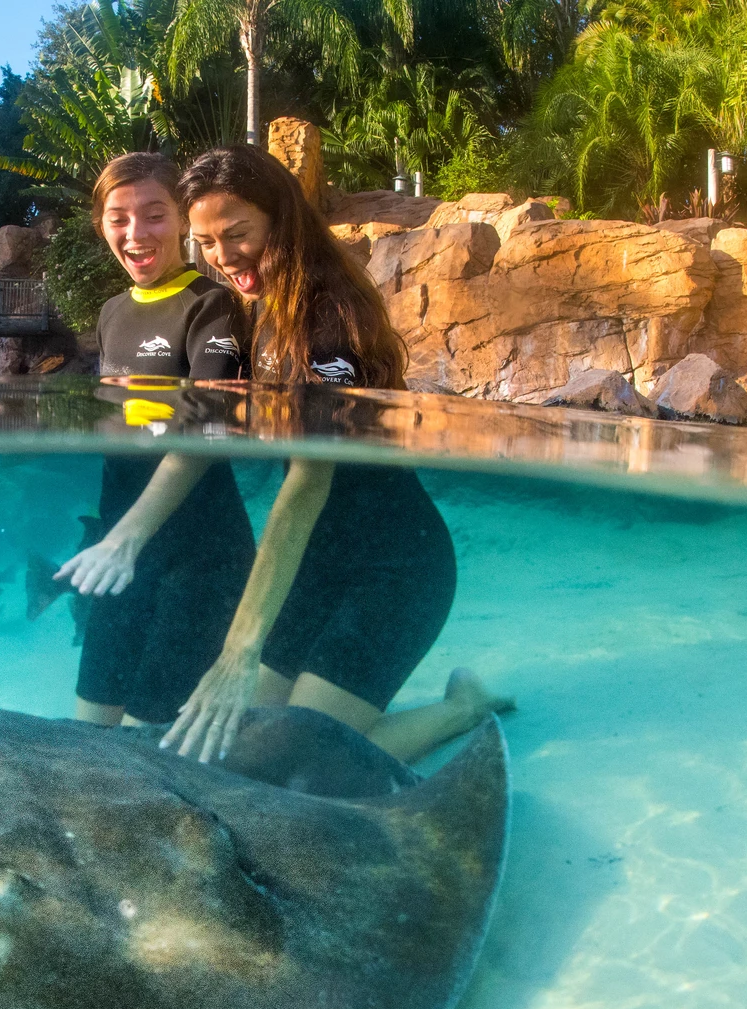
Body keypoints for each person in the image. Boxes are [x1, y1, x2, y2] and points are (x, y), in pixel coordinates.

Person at [132, 144, 514, 764]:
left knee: (297, 759)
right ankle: (350, 699)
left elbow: (306, 486)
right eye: (206, 240)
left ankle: (463, 708)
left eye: (239, 234)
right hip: (317, 568)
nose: (224, 257)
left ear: (280, 219)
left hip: (395, 571)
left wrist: (239, 650)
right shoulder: (259, 309)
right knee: (238, 749)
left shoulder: (326, 316)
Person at [55, 153, 255, 727]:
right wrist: (116, 544)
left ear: (183, 221)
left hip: (198, 563)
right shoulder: (111, 312)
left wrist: (125, 540)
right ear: (101, 226)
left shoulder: (211, 304)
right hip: (121, 560)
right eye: (118, 218)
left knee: (150, 754)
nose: (135, 234)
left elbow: (205, 431)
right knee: (86, 737)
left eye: (154, 215)